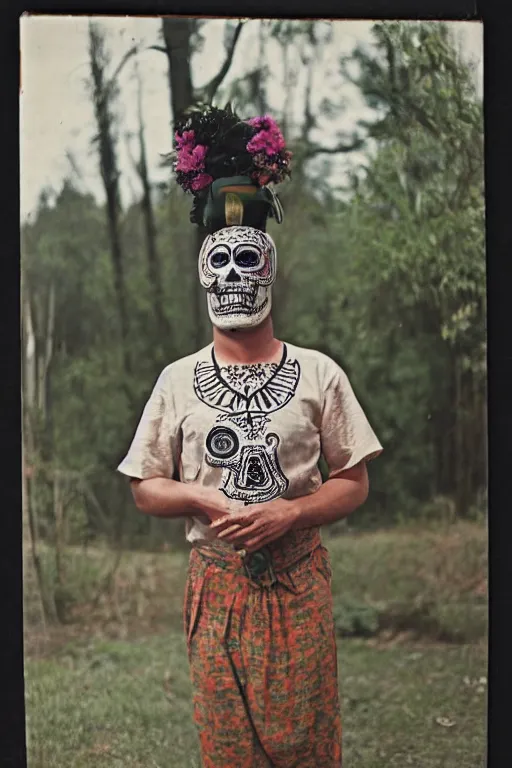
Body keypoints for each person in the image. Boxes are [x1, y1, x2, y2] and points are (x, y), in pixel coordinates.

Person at [117, 106, 383, 768]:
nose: (234, 277)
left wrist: (293, 510)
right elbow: (146, 487)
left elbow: (354, 480)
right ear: (203, 272)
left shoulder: (318, 373)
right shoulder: (176, 381)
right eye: (221, 263)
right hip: (216, 587)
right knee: (229, 752)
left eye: (247, 260)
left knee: (306, 750)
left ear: (269, 267)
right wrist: (205, 503)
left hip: (298, 582)